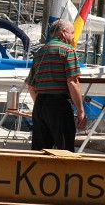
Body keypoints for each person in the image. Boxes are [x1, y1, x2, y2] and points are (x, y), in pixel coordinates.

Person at [25, 19, 86, 151]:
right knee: (65, 149)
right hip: (59, 104)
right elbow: (72, 82)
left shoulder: (40, 52)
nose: (73, 36)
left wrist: (40, 104)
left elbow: (30, 85)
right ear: (63, 33)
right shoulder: (68, 51)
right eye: (72, 32)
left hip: (40, 104)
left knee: (40, 151)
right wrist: (80, 110)